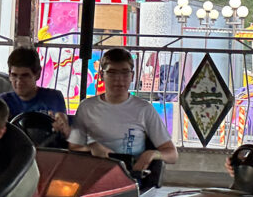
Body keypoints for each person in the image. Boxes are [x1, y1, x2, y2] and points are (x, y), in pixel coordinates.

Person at [68, 47, 178, 175]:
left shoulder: (144, 109)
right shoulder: (86, 107)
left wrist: (152, 154)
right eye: (112, 73)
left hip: (129, 177)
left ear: (132, 76)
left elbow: (172, 154)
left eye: (125, 73)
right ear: (102, 76)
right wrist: (92, 148)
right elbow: (74, 147)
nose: (119, 79)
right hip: (92, 173)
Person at [0, 46, 69, 137]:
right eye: (14, 75)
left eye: (25, 76)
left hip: (46, 148)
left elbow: (64, 129)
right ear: (9, 75)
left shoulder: (53, 97)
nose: (19, 82)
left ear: (37, 74)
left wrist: (62, 124)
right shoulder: (3, 102)